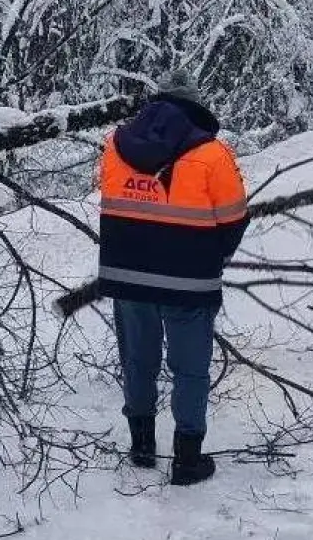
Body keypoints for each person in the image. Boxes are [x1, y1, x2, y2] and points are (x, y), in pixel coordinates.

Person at [95, 69, 249, 486]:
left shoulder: (114, 145)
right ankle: (186, 460)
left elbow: (108, 196)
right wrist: (213, 256)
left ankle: (142, 446)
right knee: (190, 368)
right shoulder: (214, 153)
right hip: (189, 280)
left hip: (127, 275)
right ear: (194, 106)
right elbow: (234, 218)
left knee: (137, 360)